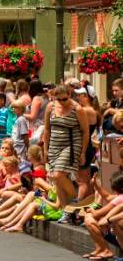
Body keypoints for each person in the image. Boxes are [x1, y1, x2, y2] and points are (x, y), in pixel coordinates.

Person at [44, 84, 88, 215]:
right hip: (54, 145)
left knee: (58, 174)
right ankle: (65, 211)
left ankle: (75, 198)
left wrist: (83, 152)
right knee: (55, 178)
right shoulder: (50, 107)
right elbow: (47, 129)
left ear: (69, 95)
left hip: (71, 144)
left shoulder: (78, 109)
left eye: (65, 99)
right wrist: (45, 149)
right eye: (59, 99)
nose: (62, 102)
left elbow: (85, 132)